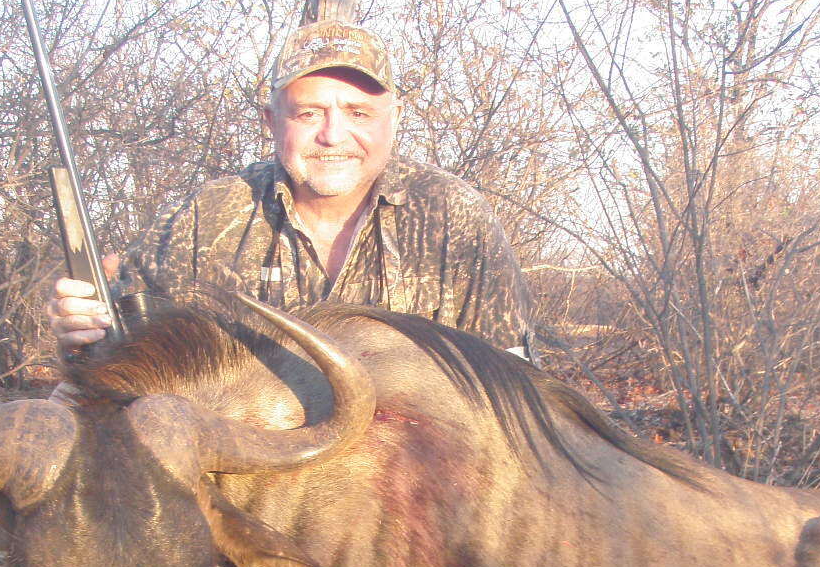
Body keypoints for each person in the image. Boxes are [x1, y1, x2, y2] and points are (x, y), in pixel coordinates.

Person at [49, 19, 532, 355]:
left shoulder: (454, 218)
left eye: (358, 113)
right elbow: (118, 358)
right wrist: (82, 328)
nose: (332, 135)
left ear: (394, 119)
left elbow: (515, 389)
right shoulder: (208, 216)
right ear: (271, 121)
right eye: (309, 113)